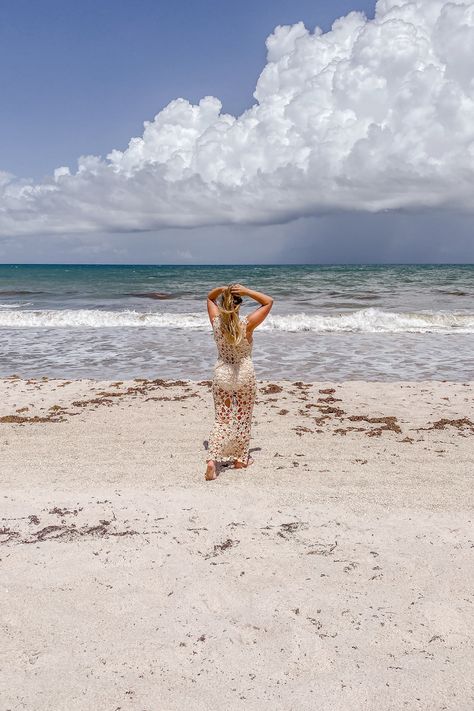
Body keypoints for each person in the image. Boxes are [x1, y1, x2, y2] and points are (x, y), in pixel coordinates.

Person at [205, 282, 274, 481]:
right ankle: (240, 460)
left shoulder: (216, 322)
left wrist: (221, 289)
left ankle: (212, 460)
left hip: (222, 373)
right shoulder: (246, 323)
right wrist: (246, 291)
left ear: (223, 304)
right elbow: (268, 302)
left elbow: (209, 298)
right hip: (244, 373)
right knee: (243, 417)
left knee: (222, 419)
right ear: (238, 306)